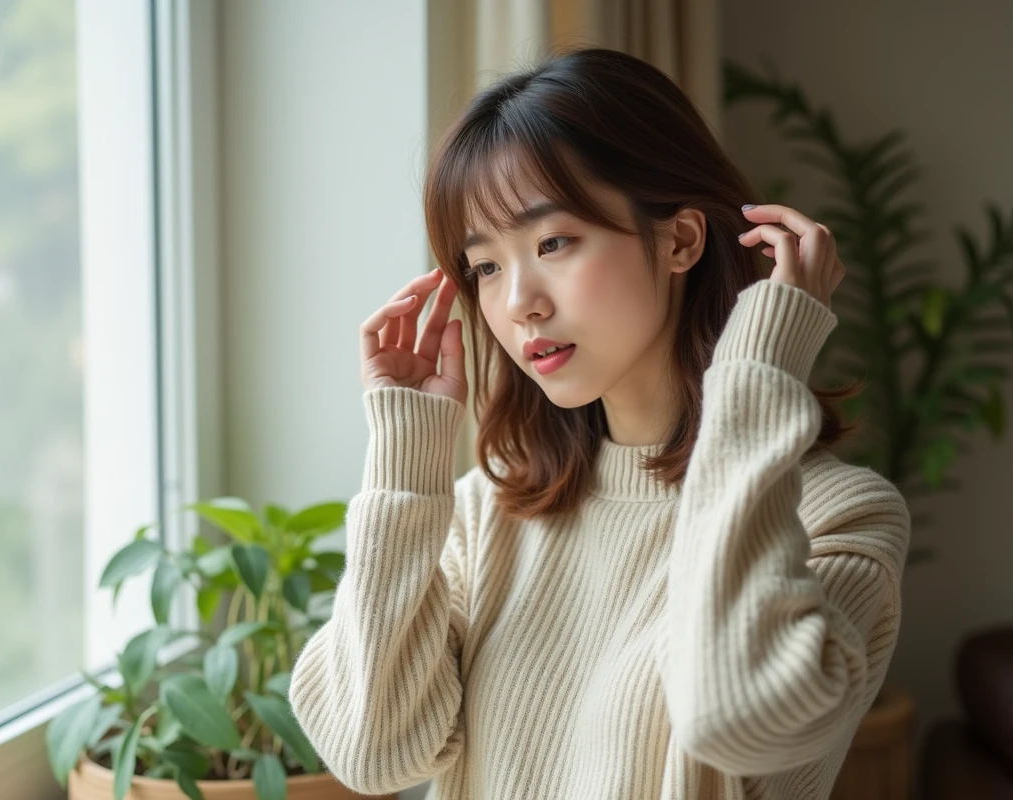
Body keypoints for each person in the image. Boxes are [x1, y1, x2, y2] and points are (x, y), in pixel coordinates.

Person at [289, 46, 911, 800]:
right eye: (486, 267)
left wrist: (758, 368)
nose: (519, 303)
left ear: (680, 240)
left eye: (553, 243)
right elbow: (374, 752)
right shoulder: (491, 512)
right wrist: (405, 457)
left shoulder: (841, 517)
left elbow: (740, 718)